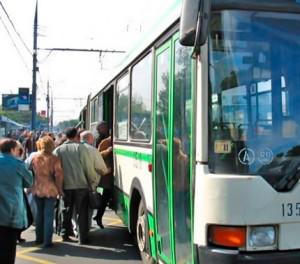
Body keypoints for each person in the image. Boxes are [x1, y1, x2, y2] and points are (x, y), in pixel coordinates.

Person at [53, 127, 99, 244]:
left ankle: (64, 234)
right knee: (81, 212)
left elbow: (56, 171)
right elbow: (87, 167)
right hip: (81, 186)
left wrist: (58, 187)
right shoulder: (81, 148)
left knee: (66, 211)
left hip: (65, 186)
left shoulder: (58, 150)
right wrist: (92, 182)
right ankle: (82, 238)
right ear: (76, 136)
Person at [0, 138, 33, 264]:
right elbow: (29, 182)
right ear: (13, 150)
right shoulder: (18, 164)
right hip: (11, 212)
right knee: (8, 250)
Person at [31, 136, 64, 247]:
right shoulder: (54, 158)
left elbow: (31, 173)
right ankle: (47, 241)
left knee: (39, 215)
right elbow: (58, 176)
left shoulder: (34, 157)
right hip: (50, 189)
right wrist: (60, 190)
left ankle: (38, 238)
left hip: (37, 188)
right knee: (49, 216)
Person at [94, 122, 114, 229]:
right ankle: (98, 216)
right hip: (104, 175)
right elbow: (98, 155)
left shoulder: (105, 139)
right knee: (103, 195)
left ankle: (98, 215)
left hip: (108, 175)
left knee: (104, 196)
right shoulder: (102, 141)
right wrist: (107, 151)